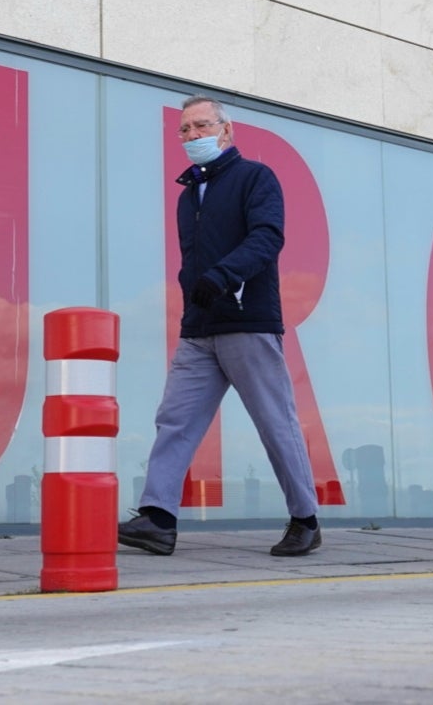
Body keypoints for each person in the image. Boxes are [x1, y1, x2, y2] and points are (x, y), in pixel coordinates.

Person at [118, 95, 320, 557]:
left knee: (275, 422)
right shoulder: (189, 196)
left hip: (247, 322)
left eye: (202, 126)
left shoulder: (255, 178)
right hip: (199, 329)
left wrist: (223, 277)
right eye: (185, 130)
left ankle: (306, 520)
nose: (192, 136)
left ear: (226, 132)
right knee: (175, 419)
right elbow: (191, 262)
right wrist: (193, 291)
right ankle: (158, 519)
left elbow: (268, 237)